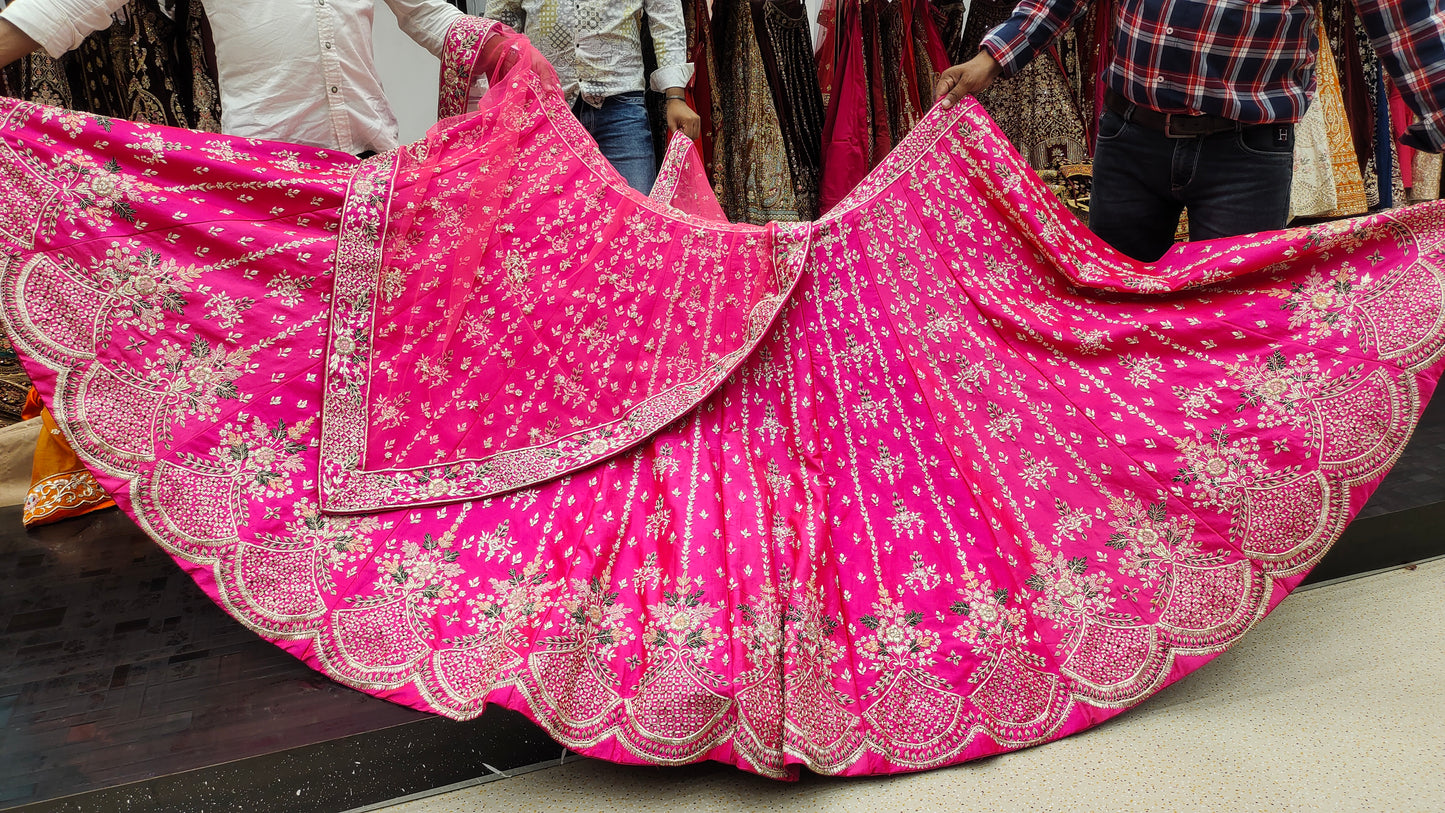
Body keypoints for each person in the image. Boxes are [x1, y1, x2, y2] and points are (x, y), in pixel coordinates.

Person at [934, 0, 1445, 262]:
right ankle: (1125, 457)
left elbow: (1404, 18)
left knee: (1225, 332)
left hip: (1246, 154)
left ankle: (1204, 464)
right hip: (1130, 137)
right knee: (1115, 318)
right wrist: (993, 57)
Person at [0, 0, 470, 155]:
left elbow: (430, 16)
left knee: (379, 345)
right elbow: (64, 6)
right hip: (266, 177)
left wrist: (504, 49)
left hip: (374, 170)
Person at [484, 0, 700, 193]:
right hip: (547, 108)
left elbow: (666, 19)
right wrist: (502, 100)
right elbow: (500, 25)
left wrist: (675, 95)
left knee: (634, 219)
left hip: (621, 105)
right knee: (554, 222)